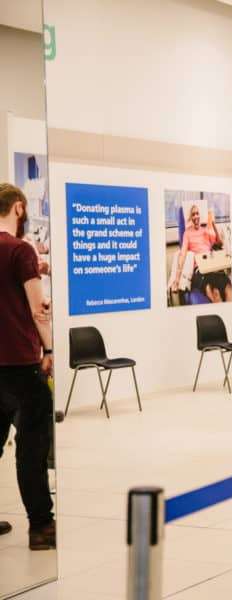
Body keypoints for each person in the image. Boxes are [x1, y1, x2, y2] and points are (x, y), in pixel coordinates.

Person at [0, 183, 55, 550]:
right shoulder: (20, 250)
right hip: (20, 363)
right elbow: (38, 309)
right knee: (32, 446)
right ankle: (40, 526)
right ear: (19, 208)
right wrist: (49, 347)